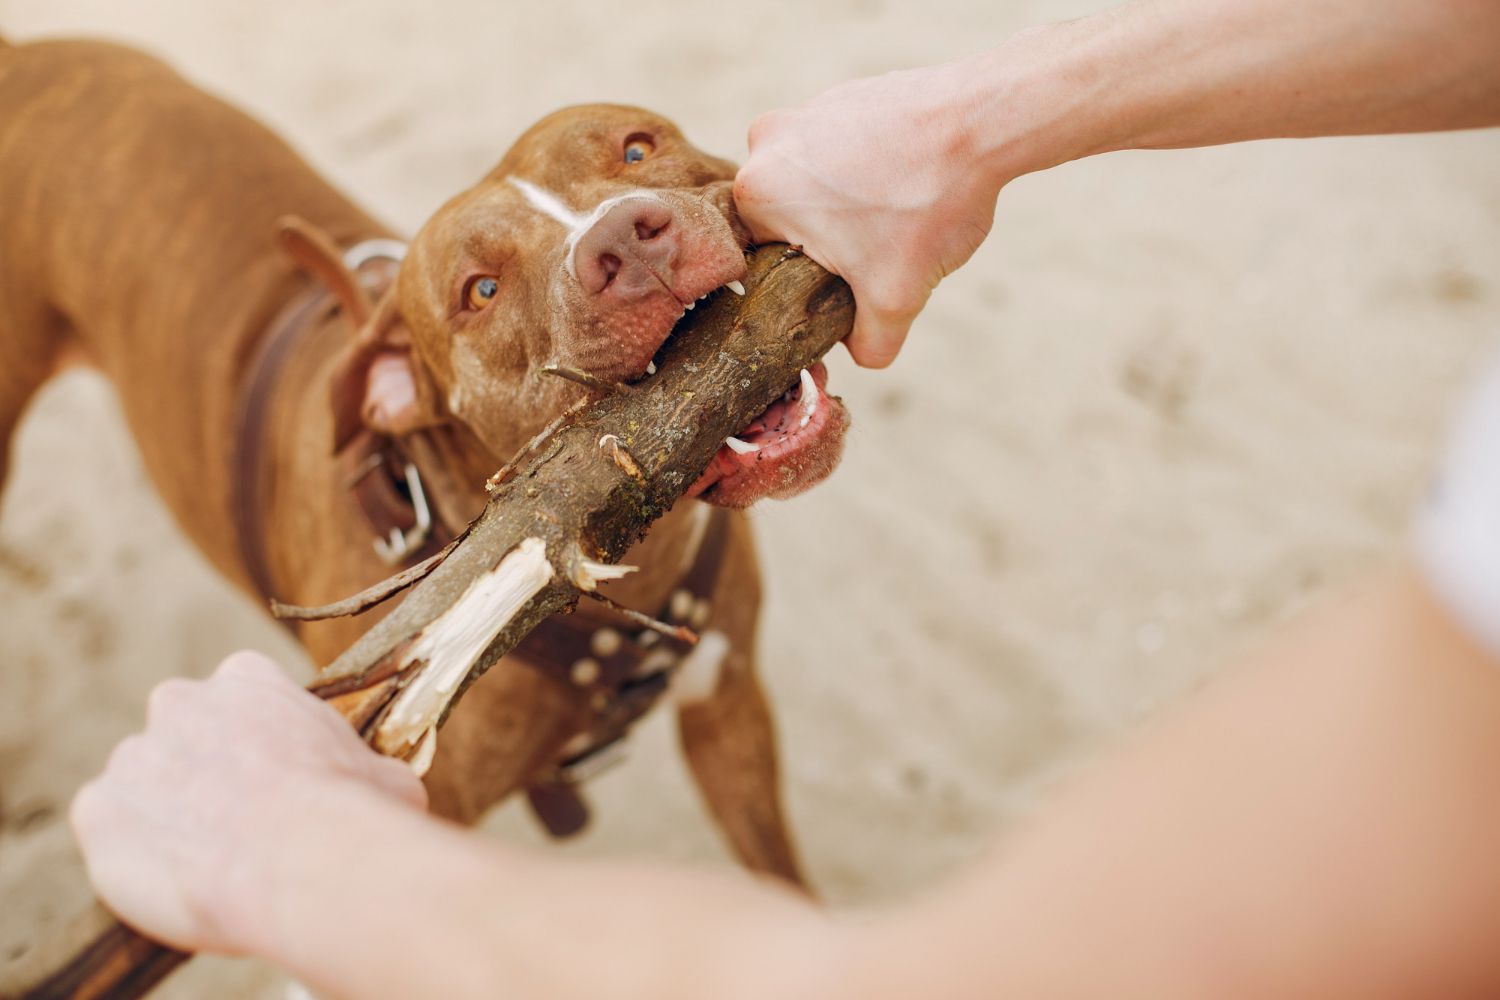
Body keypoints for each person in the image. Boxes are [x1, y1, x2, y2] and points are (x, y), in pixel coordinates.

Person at [71, 0, 1500, 996]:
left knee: (713, 670)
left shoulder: (688, 490)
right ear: (396, 397)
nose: (618, 236)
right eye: (488, 287)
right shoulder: (371, 442)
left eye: (633, 160)